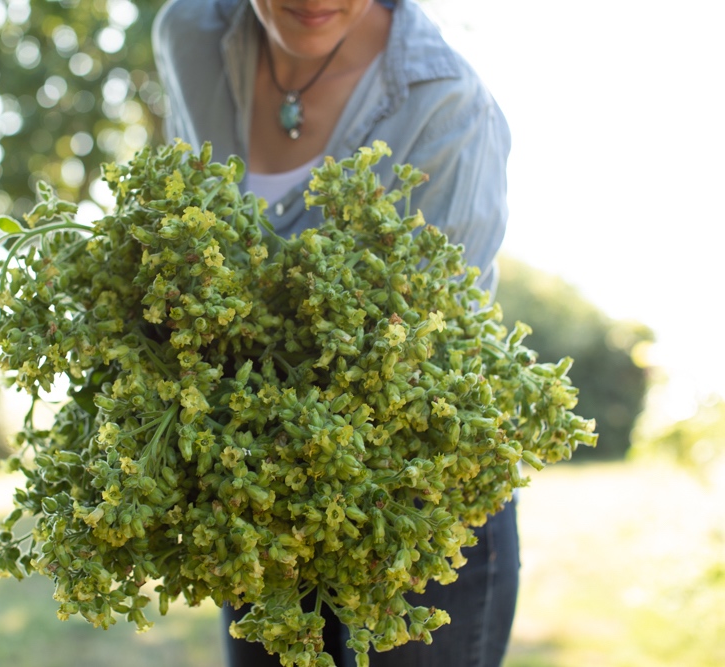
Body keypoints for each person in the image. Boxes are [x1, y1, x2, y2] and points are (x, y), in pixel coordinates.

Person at [152, 1, 518, 665]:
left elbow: (426, 365)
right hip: (255, 485)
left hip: (417, 499)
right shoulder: (190, 37)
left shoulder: (449, 110)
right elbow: (183, 229)